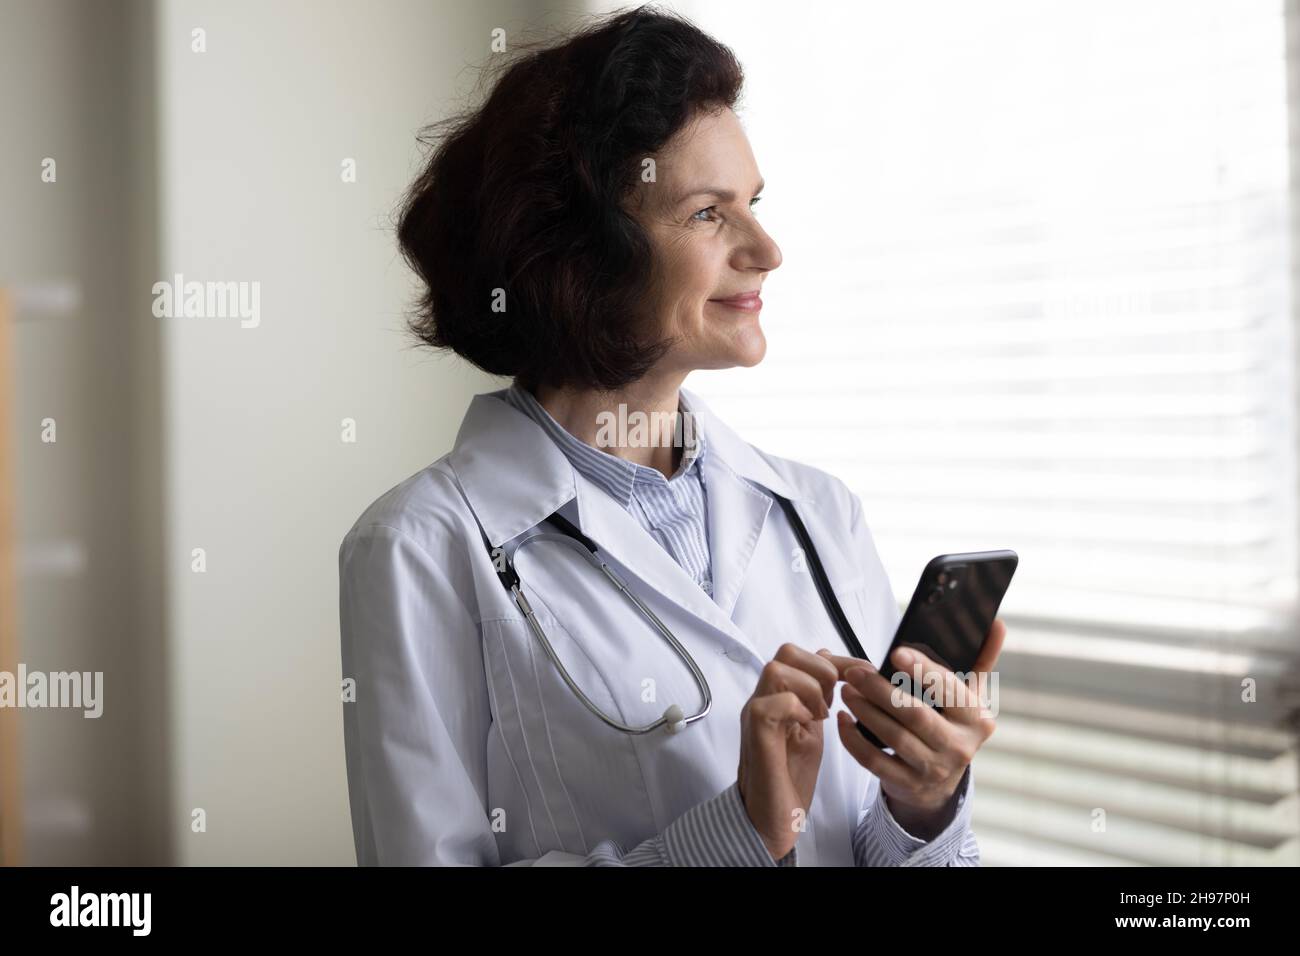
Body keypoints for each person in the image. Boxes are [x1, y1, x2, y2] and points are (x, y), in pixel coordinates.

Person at [339, 4, 1005, 866]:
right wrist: (738, 836)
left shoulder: (820, 512)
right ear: (581, 254)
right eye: (707, 214)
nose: (766, 248)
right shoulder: (419, 547)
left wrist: (923, 807)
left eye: (755, 203)